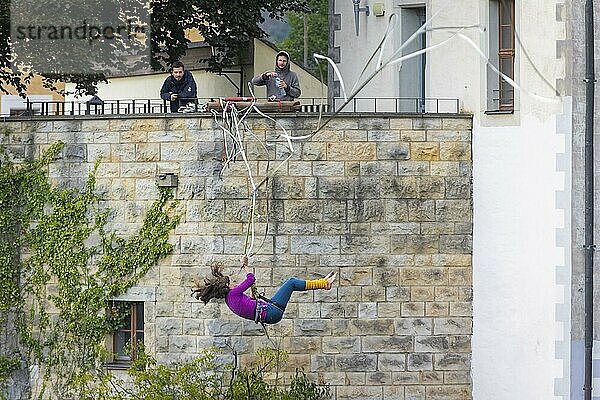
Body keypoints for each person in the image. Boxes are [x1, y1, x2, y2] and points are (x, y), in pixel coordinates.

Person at [192, 255, 337, 325]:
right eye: (232, 283)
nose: (235, 284)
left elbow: (249, 305)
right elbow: (250, 279)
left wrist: (254, 296)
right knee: (291, 282)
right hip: (272, 311)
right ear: (227, 287)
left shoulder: (230, 301)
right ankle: (325, 284)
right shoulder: (233, 293)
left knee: (290, 284)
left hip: (271, 314)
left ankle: (324, 283)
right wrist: (245, 265)